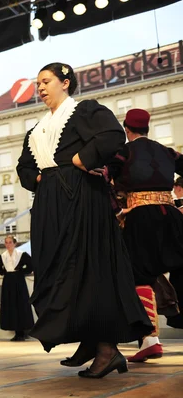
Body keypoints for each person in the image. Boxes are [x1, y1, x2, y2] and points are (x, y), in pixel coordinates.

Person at [16, 63, 153, 378]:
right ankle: (91, 341)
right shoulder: (36, 128)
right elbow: (24, 166)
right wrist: (38, 179)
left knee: (87, 267)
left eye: (46, 81)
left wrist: (83, 159)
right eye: (37, 83)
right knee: (56, 267)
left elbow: (112, 135)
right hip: (50, 200)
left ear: (65, 82)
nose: (40, 88)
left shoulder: (84, 111)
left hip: (81, 196)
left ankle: (106, 348)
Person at [106, 108, 183, 362]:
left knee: (139, 273)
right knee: (179, 267)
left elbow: (103, 178)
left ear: (127, 130)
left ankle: (150, 339)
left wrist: (117, 209)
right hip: (171, 216)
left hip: (140, 218)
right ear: (148, 128)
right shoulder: (167, 151)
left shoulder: (123, 152)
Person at [0, 236, 34, 342]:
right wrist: (5, 273)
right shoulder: (2, 256)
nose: (8, 245)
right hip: (8, 282)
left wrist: (22, 271)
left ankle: (22, 331)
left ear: (15, 243)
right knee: (11, 305)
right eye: (6, 243)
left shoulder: (21, 254)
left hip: (19, 281)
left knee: (20, 304)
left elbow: (31, 265)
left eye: (10, 242)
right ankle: (16, 332)